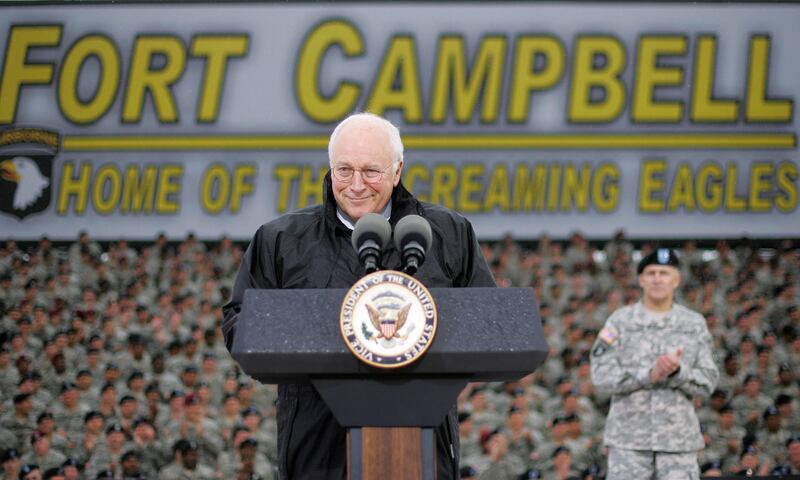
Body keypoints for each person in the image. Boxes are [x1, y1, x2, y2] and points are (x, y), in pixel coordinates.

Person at [223, 112, 496, 479]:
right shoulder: (281, 240)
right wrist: (318, 329)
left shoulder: (448, 233)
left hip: (421, 449)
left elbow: (492, 323)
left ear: (397, 171)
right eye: (344, 170)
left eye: (371, 171)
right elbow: (240, 323)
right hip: (316, 451)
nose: (355, 185)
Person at [590, 248, 719, 479]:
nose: (657, 279)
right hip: (628, 442)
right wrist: (649, 375)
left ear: (676, 280)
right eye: (651, 273)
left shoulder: (693, 324)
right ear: (641, 279)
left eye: (664, 273)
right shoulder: (620, 321)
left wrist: (677, 372)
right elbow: (600, 375)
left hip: (678, 443)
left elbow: (708, 380)